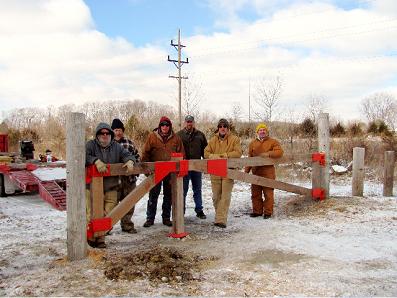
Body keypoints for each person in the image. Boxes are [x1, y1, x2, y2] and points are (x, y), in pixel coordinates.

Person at [86, 122, 136, 248]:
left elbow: (128, 154)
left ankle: (100, 235)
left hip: (111, 187)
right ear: (97, 135)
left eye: (107, 133)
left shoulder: (116, 146)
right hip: (91, 188)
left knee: (109, 214)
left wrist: (130, 161)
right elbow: (82, 156)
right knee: (91, 214)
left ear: (111, 134)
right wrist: (95, 161)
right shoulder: (90, 145)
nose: (104, 135)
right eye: (101, 133)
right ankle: (94, 239)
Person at [141, 116, 185, 228]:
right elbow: (145, 153)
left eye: (167, 125)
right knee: (153, 195)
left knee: (168, 195)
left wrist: (179, 170)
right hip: (155, 171)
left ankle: (166, 218)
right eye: (162, 125)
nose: (165, 127)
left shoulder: (176, 138)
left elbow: (182, 154)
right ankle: (150, 218)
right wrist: (147, 171)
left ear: (170, 126)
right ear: (159, 126)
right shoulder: (152, 137)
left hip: (171, 172)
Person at [204, 118, 242, 228]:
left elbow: (238, 153)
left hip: (228, 171)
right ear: (218, 128)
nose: (222, 128)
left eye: (224, 126)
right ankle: (219, 216)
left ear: (228, 128)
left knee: (225, 196)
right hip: (215, 171)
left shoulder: (234, 139)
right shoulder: (213, 140)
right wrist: (213, 157)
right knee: (216, 197)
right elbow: (206, 152)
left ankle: (221, 220)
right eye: (220, 126)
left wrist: (225, 155)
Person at [244, 123, 284, 219]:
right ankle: (257, 211)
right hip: (256, 172)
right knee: (255, 193)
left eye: (264, 130)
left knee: (268, 194)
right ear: (257, 132)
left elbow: (280, 152)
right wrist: (246, 172)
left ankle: (268, 212)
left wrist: (269, 154)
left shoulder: (273, 142)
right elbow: (250, 158)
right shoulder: (252, 143)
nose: (262, 131)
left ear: (267, 132)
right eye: (260, 130)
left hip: (268, 172)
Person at [111, 118, 140, 234]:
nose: (118, 132)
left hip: (129, 178)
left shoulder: (129, 143)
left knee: (129, 202)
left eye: (120, 130)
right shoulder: (108, 144)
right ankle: (108, 226)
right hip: (113, 180)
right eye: (116, 130)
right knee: (111, 203)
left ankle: (127, 224)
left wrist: (135, 170)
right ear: (112, 131)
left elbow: (137, 157)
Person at [177, 115, 208, 219]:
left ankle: (199, 210)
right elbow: (176, 150)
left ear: (194, 122)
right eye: (187, 121)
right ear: (184, 122)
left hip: (197, 166)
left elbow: (205, 151)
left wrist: (206, 164)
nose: (189, 123)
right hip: (184, 166)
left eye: (191, 121)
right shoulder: (179, 135)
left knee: (197, 189)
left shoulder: (200, 135)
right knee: (183, 190)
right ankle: (181, 210)